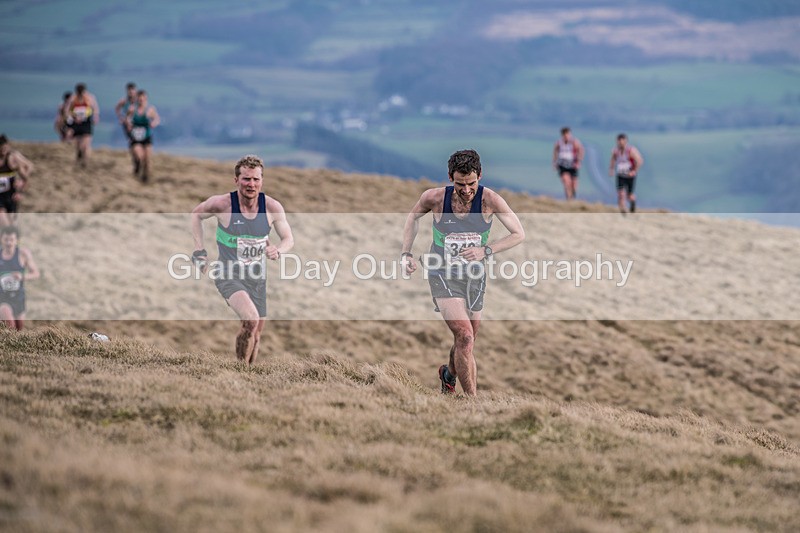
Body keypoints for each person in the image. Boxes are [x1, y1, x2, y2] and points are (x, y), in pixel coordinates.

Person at [401, 149, 525, 396]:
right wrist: (406, 253)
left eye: (471, 183)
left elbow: (519, 234)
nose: (466, 190)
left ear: (480, 175)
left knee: (467, 341)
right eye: (460, 184)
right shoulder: (434, 198)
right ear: (450, 177)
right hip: (442, 271)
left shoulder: (490, 200)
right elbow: (412, 218)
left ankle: (448, 375)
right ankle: (472, 403)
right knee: (465, 336)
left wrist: (485, 250)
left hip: (475, 275)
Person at [190, 155, 294, 365]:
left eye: (256, 179)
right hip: (228, 274)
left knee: (255, 334)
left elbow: (288, 238)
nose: (251, 184)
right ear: (236, 180)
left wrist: (278, 251)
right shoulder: (222, 204)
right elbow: (196, 215)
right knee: (250, 320)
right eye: (246, 179)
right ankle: (239, 370)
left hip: (257, 277)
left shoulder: (272, 208)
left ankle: (249, 374)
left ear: (262, 180)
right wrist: (199, 250)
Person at [0, 225, 40, 331]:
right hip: (2, 298)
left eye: (11, 240)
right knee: (11, 327)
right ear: (1, 239)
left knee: (19, 329)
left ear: (16, 240)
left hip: (19, 297)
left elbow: (36, 273)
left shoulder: (23, 254)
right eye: (6, 239)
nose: (8, 243)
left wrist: (22, 276)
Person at [125, 89, 160, 183]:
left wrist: (153, 123)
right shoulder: (132, 109)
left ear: (146, 99)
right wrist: (128, 125)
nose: (141, 101)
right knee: (139, 156)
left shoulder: (150, 109)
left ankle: (146, 178)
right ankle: (137, 167)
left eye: (143, 99)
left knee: (147, 159)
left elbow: (157, 119)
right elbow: (127, 119)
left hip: (146, 136)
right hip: (135, 137)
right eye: (139, 99)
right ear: (137, 99)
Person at [0, 135, 34, 228]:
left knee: (12, 223)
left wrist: (21, 186)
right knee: (3, 221)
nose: (4, 151)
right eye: (2, 149)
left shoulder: (13, 158)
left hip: (10, 194)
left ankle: (12, 239)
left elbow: (29, 167)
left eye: (5, 148)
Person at [64, 83, 100, 166]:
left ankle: (85, 162)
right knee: (78, 144)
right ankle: (80, 154)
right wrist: (73, 118)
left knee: (86, 144)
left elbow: (95, 108)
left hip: (86, 122)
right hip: (76, 122)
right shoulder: (73, 99)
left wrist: (95, 117)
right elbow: (67, 111)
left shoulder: (90, 98)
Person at [609, 133, 644, 214]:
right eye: (619, 141)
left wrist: (634, 171)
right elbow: (613, 160)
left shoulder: (631, 150)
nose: (621, 142)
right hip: (620, 175)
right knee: (620, 194)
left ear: (626, 141)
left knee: (630, 195)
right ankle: (623, 211)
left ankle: (632, 203)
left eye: (622, 140)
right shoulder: (615, 151)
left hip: (629, 175)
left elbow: (640, 160)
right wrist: (611, 169)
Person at [552, 126, 584, 200]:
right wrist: (554, 162)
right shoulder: (559, 143)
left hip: (573, 165)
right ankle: (569, 199)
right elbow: (555, 152)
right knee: (566, 182)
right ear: (562, 135)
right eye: (564, 134)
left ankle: (573, 196)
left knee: (574, 184)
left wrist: (579, 161)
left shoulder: (574, 142)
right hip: (562, 164)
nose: (566, 136)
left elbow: (581, 150)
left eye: (568, 134)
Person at [114, 82, 138, 172]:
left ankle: (138, 158)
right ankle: (135, 158)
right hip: (128, 124)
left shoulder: (139, 100)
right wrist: (121, 117)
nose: (131, 93)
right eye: (129, 91)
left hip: (137, 124)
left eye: (132, 91)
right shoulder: (124, 101)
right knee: (132, 141)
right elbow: (117, 108)